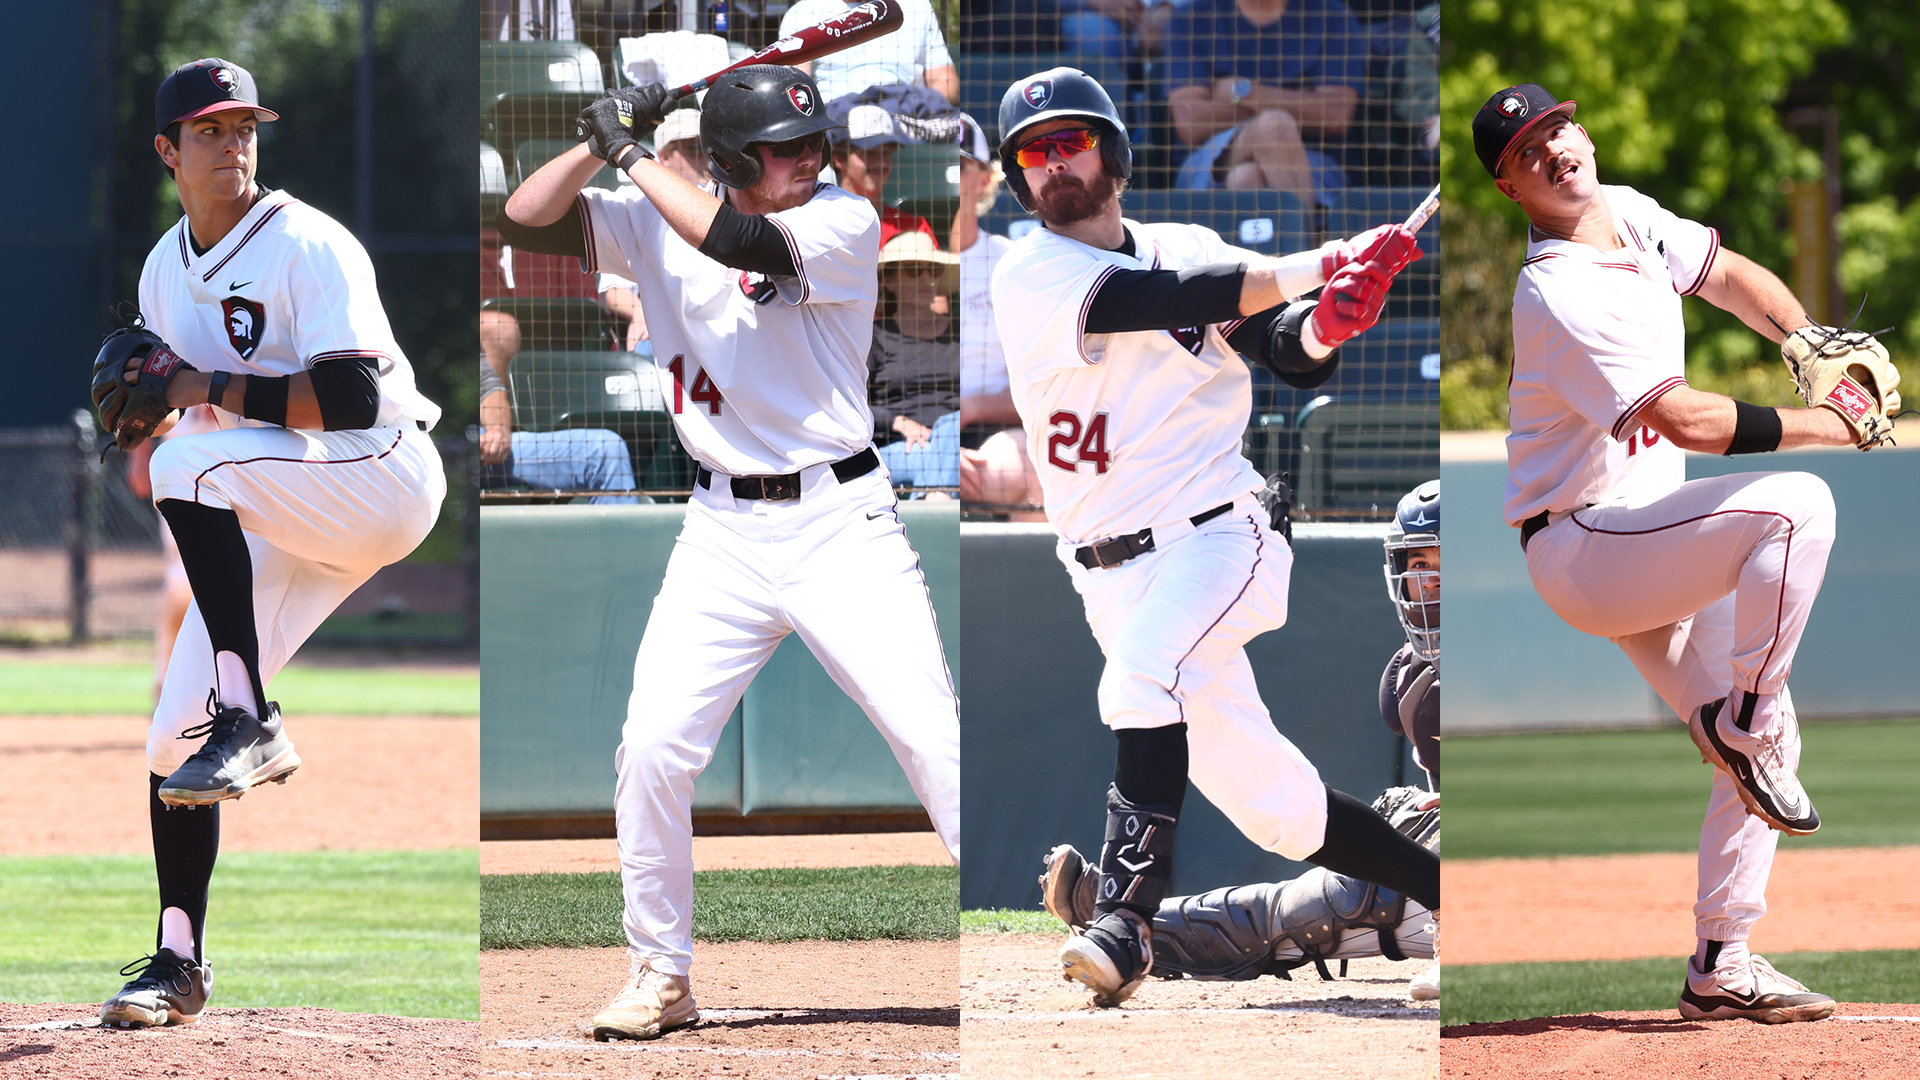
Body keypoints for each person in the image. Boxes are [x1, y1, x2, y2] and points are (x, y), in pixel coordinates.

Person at [496, 64, 961, 1040]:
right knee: (654, 751)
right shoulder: (652, 217)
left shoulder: (841, 221)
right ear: (728, 158)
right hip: (719, 535)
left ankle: (1042, 922)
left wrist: (627, 148)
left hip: (841, 522)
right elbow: (525, 218)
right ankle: (661, 975)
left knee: (930, 734)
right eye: (780, 151)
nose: (803, 162)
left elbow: (736, 238)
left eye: (809, 145)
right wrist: (595, 137)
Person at [989, 67, 1436, 1007]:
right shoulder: (1028, 270)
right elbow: (1162, 297)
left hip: (1219, 536)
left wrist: (1327, 322)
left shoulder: (1186, 238)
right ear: (1018, 178)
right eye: (1033, 152)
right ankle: (1456, 900)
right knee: (1280, 810)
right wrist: (1328, 261)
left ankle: (1126, 922)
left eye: (1070, 142)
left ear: (1112, 152)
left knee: (1138, 680)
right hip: (1106, 576)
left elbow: (1282, 349)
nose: (1054, 164)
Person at [1478, 82, 1870, 1024]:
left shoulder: (1630, 214)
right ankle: (1740, 714)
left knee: (1770, 748)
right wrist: (1827, 419)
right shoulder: (1557, 288)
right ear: (1512, 189)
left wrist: (1806, 339)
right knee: (1796, 507)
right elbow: (1684, 419)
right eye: (1529, 151)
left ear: (1585, 130)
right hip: (1585, 547)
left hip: (1654, 537)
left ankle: (1720, 962)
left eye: (1557, 127)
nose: (1554, 149)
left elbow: (1729, 274)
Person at [97, 58, 445, 1028]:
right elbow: (198, 426)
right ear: (168, 150)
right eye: (208, 129)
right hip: (289, 513)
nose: (232, 142)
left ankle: (252, 716)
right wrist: (151, 414)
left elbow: (351, 399)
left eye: (244, 123)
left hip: (380, 476)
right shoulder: (165, 272)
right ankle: (179, 962)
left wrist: (191, 391)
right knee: (172, 741)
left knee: (184, 470)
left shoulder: (308, 243)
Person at [1035, 479, 1444, 999]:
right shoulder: (1406, 679)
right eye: (1418, 565)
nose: (1428, 582)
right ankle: (1129, 925)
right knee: (1338, 866)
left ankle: (1137, 926)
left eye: (1441, 564)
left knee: (1335, 903)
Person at [1164, 0, 1370, 206]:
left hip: (1314, 166)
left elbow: (1336, 116)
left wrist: (1244, 92)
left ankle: (1288, 235)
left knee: (1245, 177)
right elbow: (1191, 123)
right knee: (1274, 126)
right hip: (1206, 168)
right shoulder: (1191, 18)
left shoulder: (1332, 15)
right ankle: (1303, 237)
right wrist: (1297, 106)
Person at [869, 232, 961, 493]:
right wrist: (898, 422)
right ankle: (939, 500)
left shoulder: (962, 334)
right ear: (888, 280)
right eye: (913, 270)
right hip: (897, 448)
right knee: (935, 456)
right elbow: (848, 404)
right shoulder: (872, 338)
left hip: (957, 440)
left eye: (932, 270)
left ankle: (933, 502)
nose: (926, 279)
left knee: (950, 431)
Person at [781, 0, 959, 104]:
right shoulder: (803, 12)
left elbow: (946, 82)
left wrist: (917, 106)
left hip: (907, 117)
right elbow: (795, 89)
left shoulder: (915, 5)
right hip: (838, 123)